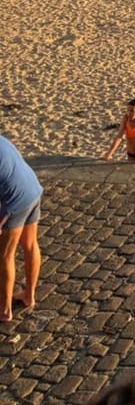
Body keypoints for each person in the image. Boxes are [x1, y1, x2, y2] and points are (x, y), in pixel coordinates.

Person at [0, 136, 43, 322]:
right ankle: (29, 295)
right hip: (32, 188)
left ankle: (4, 310)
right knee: (30, 244)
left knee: (4, 255)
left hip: (15, 200)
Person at [100, 99, 135, 163]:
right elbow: (119, 136)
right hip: (131, 154)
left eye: (132, 111)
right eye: (127, 110)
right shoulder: (125, 118)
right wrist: (108, 155)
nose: (129, 113)